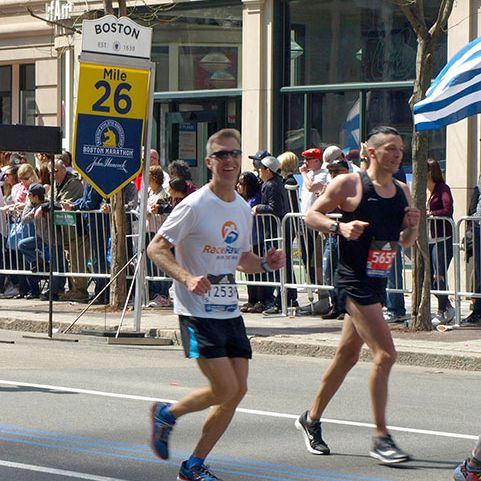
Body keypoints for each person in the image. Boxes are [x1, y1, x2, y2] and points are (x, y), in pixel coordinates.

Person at [147, 128, 285, 481]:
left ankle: (193, 465)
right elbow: (157, 249)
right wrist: (187, 277)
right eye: (222, 155)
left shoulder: (242, 208)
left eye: (235, 154)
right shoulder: (193, 205)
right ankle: (168, 413)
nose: (229, 161)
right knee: (224, 388)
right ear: (209, 162)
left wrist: (267, 263)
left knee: (237, 391)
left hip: (229, 310)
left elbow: (241, 259)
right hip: (196, 310)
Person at [295, 126, 420, 464]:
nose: (397, 155)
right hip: (352, 281)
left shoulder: (403, 190)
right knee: (386, 355)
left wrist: (413, 225)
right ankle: (381, 437)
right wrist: (340, 227)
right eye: (390, 148)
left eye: (400, 150)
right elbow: (311, 215)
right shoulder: (349, 184)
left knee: (347, 356)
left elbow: (405, 243)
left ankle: (311, 418)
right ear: (370, 150)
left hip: (377, 279)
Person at [426, 158, 455, 326]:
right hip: (427, 238)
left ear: (431, 171)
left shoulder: (443, 188)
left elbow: (448, 208)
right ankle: (447, 305)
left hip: (442, 238)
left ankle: (443, 309)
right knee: (428, 277)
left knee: (439, 274)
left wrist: (431, 213)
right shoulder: (422, 189)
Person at [237, 171, 269, 313]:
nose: (239, 186)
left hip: (257, 238)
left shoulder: (255, 198)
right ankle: (252, 299)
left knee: (258, 271)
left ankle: (261, 300)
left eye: (242, 184)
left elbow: (246, 210)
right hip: (247, 240)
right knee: (248, 272)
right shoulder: (242, 198)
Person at [321, 158, 349, 320]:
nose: (332, 174)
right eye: (330, 171)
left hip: (347, 237)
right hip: (333, 235)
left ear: (345, 171)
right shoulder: (330, 188)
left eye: (336, 171)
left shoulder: (352, 186)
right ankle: (336, 305)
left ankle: (346, 307)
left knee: (345, 272)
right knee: (328, 271)